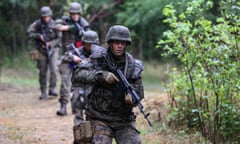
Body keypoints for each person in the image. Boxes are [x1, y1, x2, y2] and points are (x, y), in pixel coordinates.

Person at [73, 25, 144, 144]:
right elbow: (78, 74)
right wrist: (101, 76)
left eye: (123, 42)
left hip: (124, 119)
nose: (120, 45)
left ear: (126, 44)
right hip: (99, 117)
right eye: (116, 42)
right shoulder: (99, 58)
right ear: (110, 43)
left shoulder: (133, 66)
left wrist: (132, 99)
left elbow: (139, 92)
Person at [62, 30, 100, 144]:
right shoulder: (77, 51)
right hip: (78, 87)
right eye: (87, 44)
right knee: (78, 115)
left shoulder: (100, 54)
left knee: (92, 116)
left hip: (93, 88)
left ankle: (90, 139)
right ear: (84, 43)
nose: (89, 46)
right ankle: (79, 140)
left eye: (92, 44)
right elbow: (64, 57)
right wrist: (73, 58)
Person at [54, 2, 90, 116]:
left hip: (81, 57)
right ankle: (63, 106)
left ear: (80, 14)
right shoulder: (64, 20)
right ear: (70, 13)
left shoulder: (84, 24)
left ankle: (81, 105)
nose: (75, 15)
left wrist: (83, 33)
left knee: (84, 82)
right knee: (65, 81)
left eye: (77, 13)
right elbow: (55, 26)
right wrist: (70, 28)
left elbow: (91, 37)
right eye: (72, 13)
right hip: (68, 56)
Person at [27, 6, 60, 100]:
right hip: (41, 51)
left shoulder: (55, 24)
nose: (46, 18)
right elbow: (29, 32)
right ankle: (43, 92)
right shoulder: (37, 24)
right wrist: (39, 36)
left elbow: (59, 39)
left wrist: (51, 44)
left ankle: (52, 89)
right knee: (43, 72)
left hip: (53, 50)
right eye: (44, 17)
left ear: (50, 15)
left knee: (54, 70)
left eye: (47, 16)